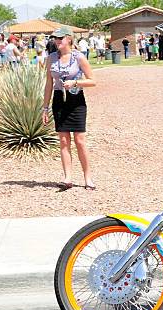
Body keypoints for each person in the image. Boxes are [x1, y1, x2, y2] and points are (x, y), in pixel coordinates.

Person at [42, 27, 97, 190]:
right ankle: (67, 178)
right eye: (55, 38)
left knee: (80, 141)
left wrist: (75, 82)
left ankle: (88, 178)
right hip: (59, 100)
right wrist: (44, 108)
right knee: (64, 140)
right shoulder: (51, 58)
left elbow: (93, 81)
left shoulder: (79, 57)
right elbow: (49, 84)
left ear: (69, 39)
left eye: (60, 38)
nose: (57, 41)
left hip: (76, 99)